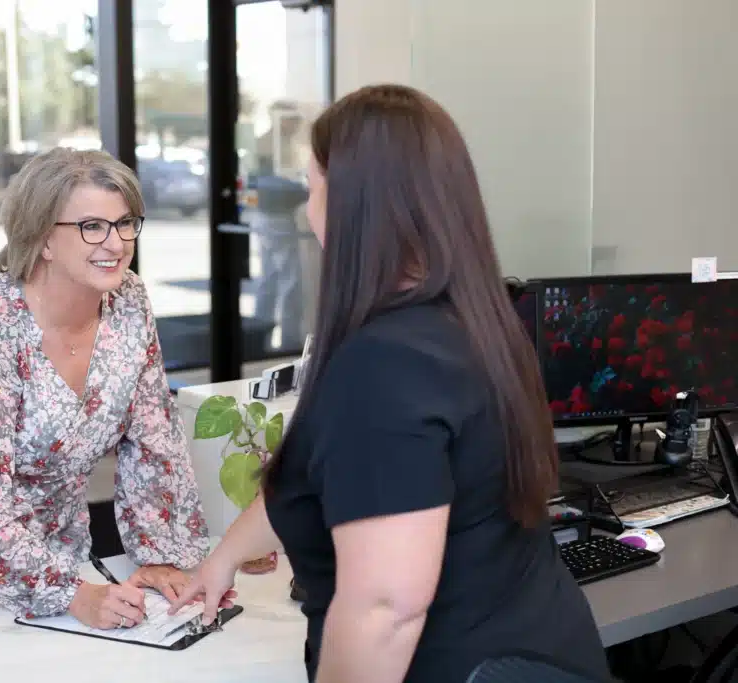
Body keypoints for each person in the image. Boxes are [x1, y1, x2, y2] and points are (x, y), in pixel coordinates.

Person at [171, 85, 611, 682]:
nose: (307, 208)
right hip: (542, 649)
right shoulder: (477, 321)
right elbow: (322, 483)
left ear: (356, 204)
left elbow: (384, 611)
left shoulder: (384, 364)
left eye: (313, 186)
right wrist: (222, 559)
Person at [0, 148, 213, 631]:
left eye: (125, 223)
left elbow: (153, 438)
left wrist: (157, 554)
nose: (114, 243)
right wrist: (71, 595)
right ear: (43, 239)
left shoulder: (129, 301)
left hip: (49, 522)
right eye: (91, 226)